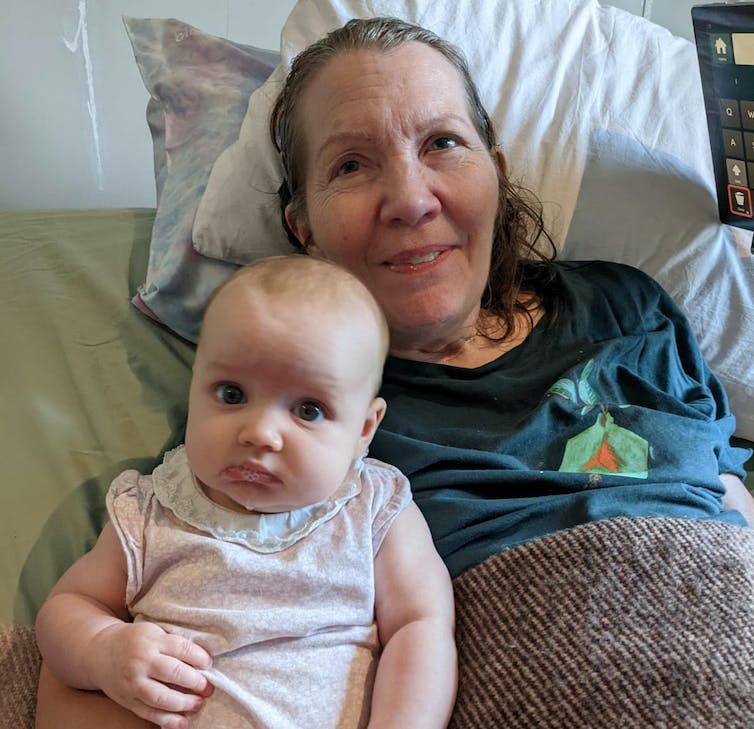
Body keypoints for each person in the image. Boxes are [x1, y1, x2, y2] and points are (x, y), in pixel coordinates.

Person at [35, 15, 753, 728]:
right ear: (303, 227)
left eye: (443, 143)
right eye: (351, 165)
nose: (411, 200)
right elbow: (107, 668)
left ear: (495, 175)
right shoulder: (297, 419)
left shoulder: (630, 304)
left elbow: (729, 496)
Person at [35, 255, 456, 729]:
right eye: (231, 394)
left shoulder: (373, 508)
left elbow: (421, 627)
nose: (260, 433)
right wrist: (102, 649)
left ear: (363, 430)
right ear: (193, 389)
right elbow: (64, 611)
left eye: (309, 409)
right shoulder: (151, 511)